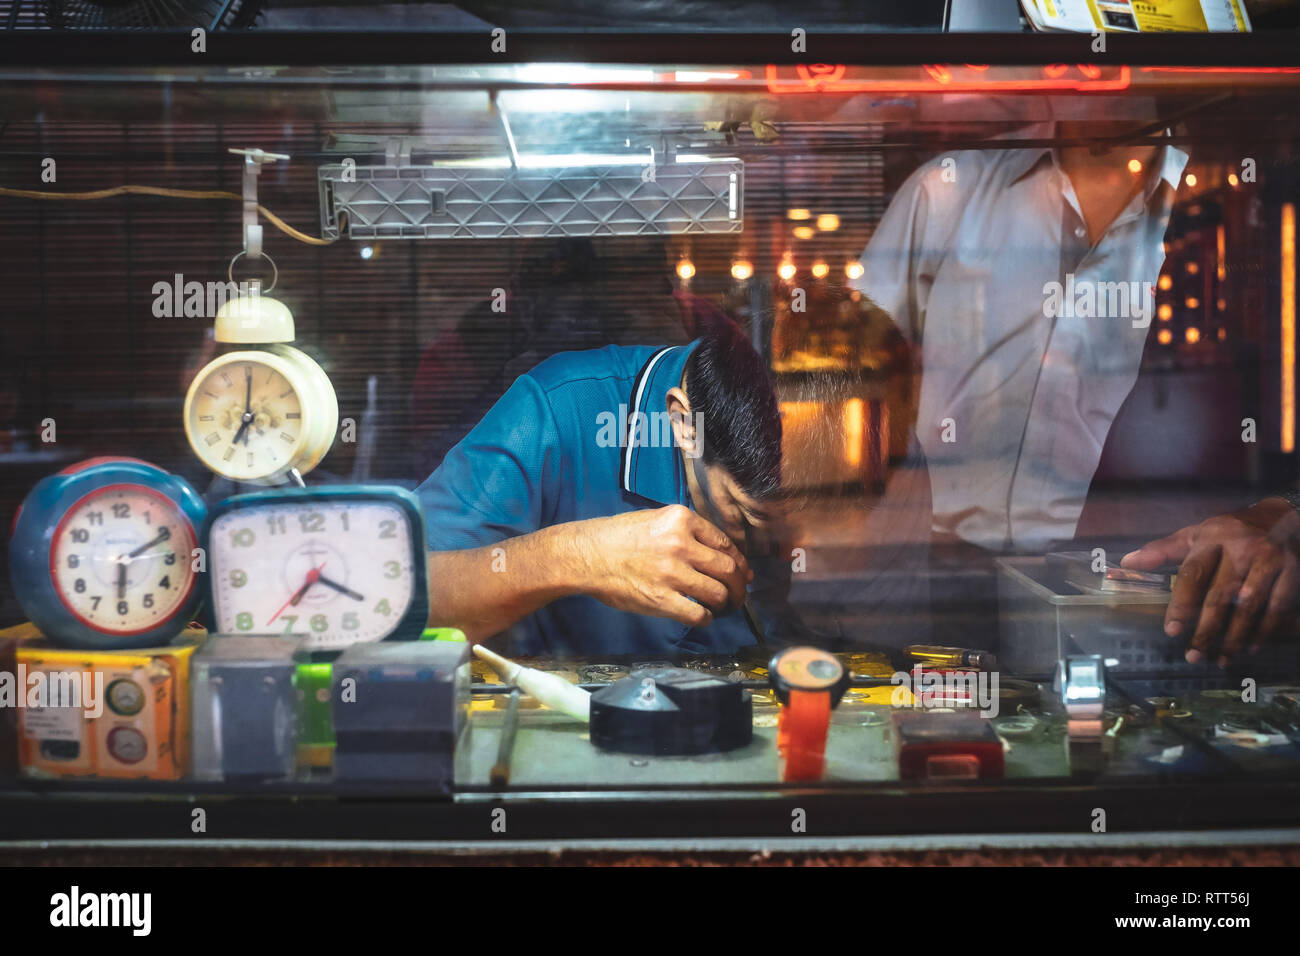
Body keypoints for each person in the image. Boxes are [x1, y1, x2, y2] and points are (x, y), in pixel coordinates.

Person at [848, 98, 1299, 664]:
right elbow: (865, 353)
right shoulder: (949, 186)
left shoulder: (1222, 198)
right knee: (949, 731)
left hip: (1141, 582)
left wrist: (1280, 512)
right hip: (947, 564)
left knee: (1131, 736)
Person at [416, 318, 790, 657]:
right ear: (686, 425)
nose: (790, 550)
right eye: (747, 516)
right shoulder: (558, 411)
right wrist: (581, 556)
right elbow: (399, 593)